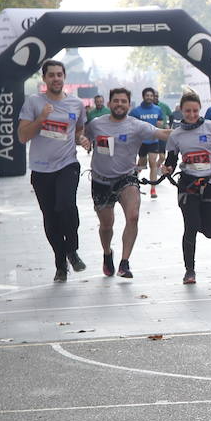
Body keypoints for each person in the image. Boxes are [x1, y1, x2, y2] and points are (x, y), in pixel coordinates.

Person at [80, 87, 169, 278]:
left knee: (133, 216)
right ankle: (107, 254)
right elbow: (80, 135)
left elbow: (162, 133)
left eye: (123, 101)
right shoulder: (96, 124)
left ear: (129, 105)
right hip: (100, 179)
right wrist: (82, 140)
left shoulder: (137, 125)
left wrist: (191, 130)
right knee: (106, 225)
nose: (119, 104)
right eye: (116, 101)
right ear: (110, 103)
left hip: (126, 177)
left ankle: (124, 262)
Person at [18, 60, 87, 281]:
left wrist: (81, 139)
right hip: (41, 170)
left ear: (64, 77)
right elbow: (22, 136)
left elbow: (78, 130)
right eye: (52, 75)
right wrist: (41, 119)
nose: (56, 78)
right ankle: (60, 264)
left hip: (67, 164)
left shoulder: (76, 104)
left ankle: (72, 250)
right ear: (44, 78)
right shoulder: (34, 102)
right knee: (51, 217)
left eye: (59, 74)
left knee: (66, 205)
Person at [164, 91, 211, 284]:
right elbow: (171, 160)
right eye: (188, 111)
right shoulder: (176, 135)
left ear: (200, 109)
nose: (191, 114)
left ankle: (199, 220)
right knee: (190, 225)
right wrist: (168, 168)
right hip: (188, 184)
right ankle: (190, 270)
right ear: (181, 111)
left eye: (195, 110)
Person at [130, 87, 168, 199]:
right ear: (143, 96)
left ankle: (153, 188)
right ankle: (135, 177)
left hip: (153, 140)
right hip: (141, 141)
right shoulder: (136, 111)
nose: (149, 97)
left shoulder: (157, 109)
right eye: (147, 95)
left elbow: (161, 121)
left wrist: (160, 124)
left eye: (151, 96)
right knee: (142, 162)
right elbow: (130, 124)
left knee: (152, 162)